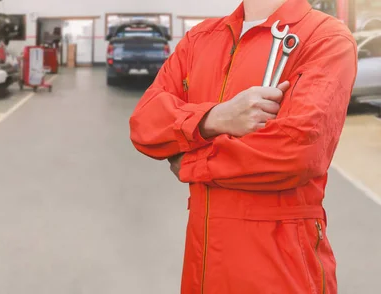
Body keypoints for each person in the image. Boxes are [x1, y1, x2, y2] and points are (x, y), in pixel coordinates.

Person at [128, 0, 357, 293]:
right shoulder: (200, 39)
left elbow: (294, 153)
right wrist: (215, 118)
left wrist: (189, 162)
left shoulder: (325, 38)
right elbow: (144, 123)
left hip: (280, 267)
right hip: (203, 263)